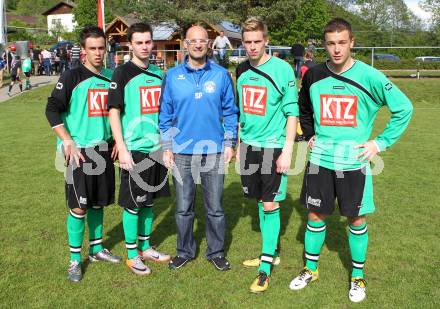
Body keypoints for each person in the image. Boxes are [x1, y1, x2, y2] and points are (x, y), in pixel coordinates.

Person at [289, 18, 413, 303]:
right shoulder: (313, 75)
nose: (336, 49)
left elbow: (404, 109)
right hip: (320, 159)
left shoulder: (370, 76)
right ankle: (310, 269)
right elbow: (303, 107)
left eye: (342, 42)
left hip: (354, 161)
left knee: (356, 218)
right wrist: (308, 134)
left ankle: (357, 276)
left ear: (352, 42)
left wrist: (379, 143)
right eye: (331, 43)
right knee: (315, 215)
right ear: (324, 45)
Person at [45, 26, 122, 283]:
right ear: (84, 51)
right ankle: (75, 260)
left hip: (103, 149)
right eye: (93, 48)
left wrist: (114, 141)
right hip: (79, 152)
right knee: (79, 206)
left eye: (102, 48)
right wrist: (68, 142)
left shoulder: (111, 76)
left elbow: (115, 113)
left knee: (99, 202)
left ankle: (98, 248)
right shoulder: (71, 77)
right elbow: (52, 110)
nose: (98, 53)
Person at [159, 25, 238, 271]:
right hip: (181, 152)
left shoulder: (221, 75)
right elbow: (165, 114)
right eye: (192, 41)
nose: (197, 45)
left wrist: (229, 143)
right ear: (185, 44)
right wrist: (167, 145)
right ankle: (184, 251)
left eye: (202, 41)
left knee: (215, 207)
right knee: (183, 208)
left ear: (209, 43)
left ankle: (215, 252)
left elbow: (230, 112)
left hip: (213, 151)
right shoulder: (172, 76)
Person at [235, 17, 299, 293]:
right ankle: (269, 252)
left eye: (257, 41)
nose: (251, 47)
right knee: (261, 201)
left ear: (266, 40)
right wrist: (239, 144)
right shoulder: (240, 70)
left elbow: (292, 113)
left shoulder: (283, 70)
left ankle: (264, 269)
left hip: (273, 148)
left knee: (271, 204)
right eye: (247, 42)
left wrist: (287, 151)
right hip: (249, 146)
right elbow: (241, 113)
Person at [108, 22, 171, 276]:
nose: (145, 47)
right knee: (133, 204)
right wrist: (121, 147)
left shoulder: (158, 73)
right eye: (139, 42)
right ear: (130, 45)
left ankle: (145, 247)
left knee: (149, 202)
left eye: (148, 42)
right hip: (133, 149)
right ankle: (132, 254)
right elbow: (113, 112)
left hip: (156, 148)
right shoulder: (121, 73)